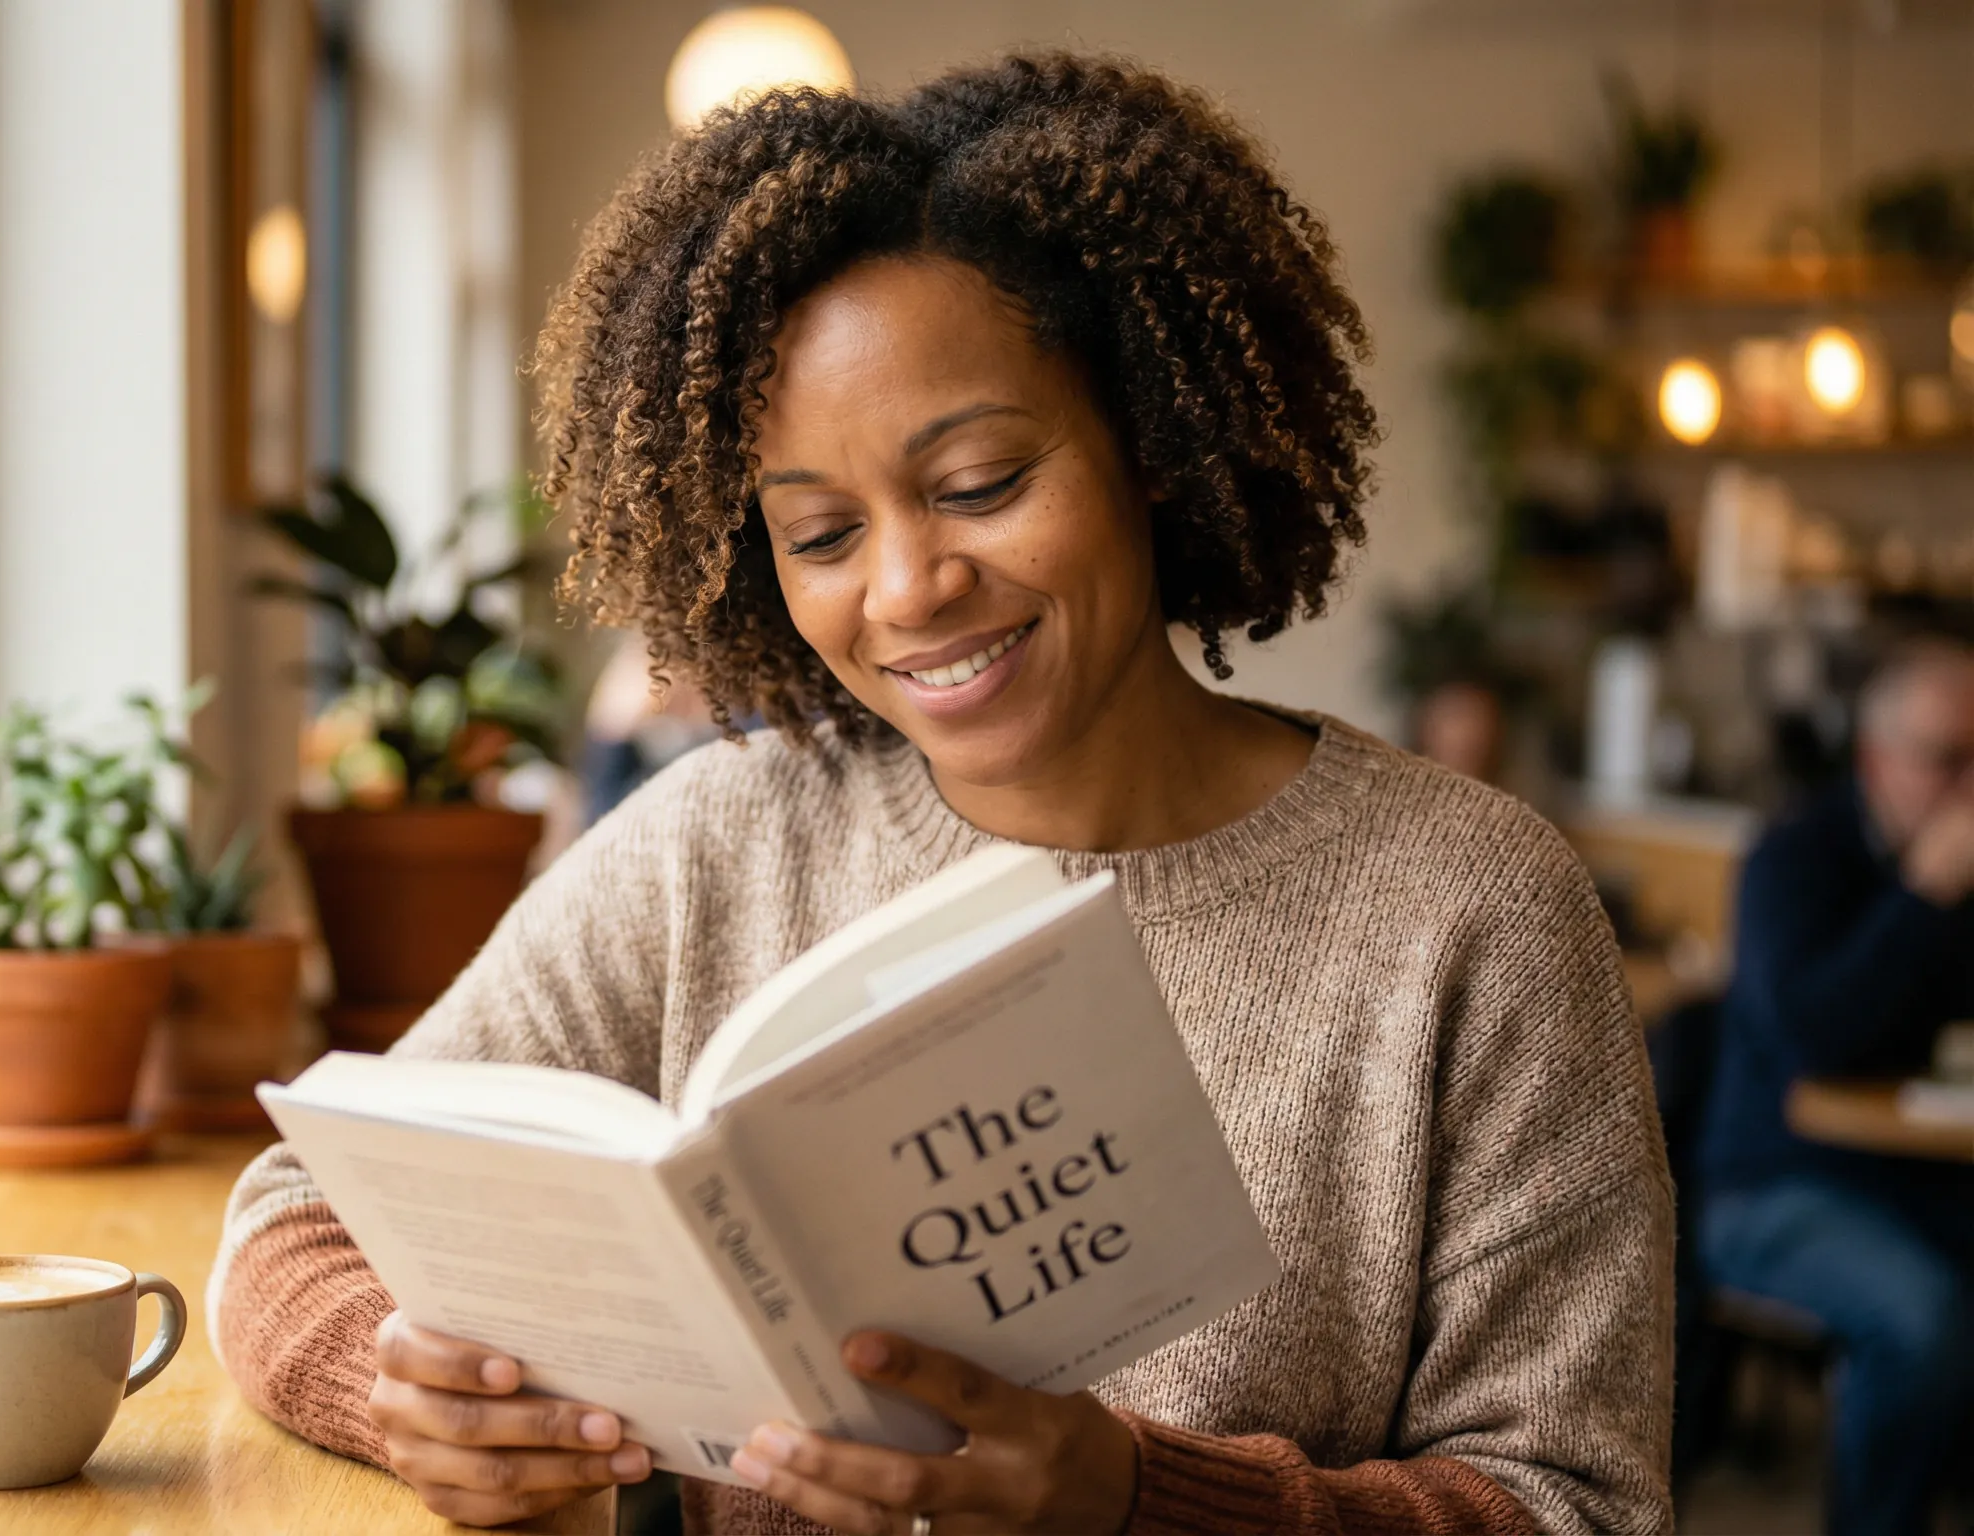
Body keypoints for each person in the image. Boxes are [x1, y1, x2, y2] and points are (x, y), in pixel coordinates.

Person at [212, 53, 1670, 1536]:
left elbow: (1578, 1506)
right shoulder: (718, 845)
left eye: (978, 483)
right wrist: (389, 1382)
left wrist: (1136, 1501)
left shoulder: (1470, 909)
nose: (908, 589)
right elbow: (291, 1213)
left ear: (1153, 447)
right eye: (822, 531)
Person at [1694, 638, 1974, 1536]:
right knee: (1923, 1319)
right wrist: (1927, 892)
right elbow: (1815, 1039)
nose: (1970, 788)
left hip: (1914, 1175)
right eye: (1949, 760)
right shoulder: (1792, 857)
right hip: (1771, 1183)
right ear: (1874, 757)